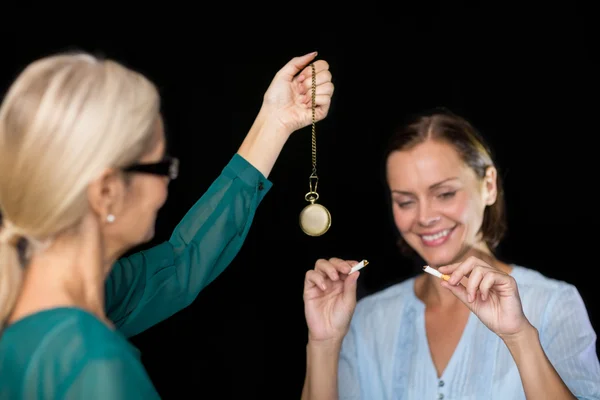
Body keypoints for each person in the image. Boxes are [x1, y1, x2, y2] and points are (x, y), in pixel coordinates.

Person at [0, 50, 334, 398]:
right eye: (161, 167)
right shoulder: (92, 363)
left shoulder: (43, 301)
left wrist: (275, 121)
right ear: (106, 191)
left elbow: (180, 263)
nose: (167, 186)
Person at [301, 108, 600, 399]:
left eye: (444, 194)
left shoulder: (554, 303)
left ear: (489, 185)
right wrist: (324, 343)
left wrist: (519, 336)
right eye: (405, 202)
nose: (425, 217)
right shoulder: (368, 318)